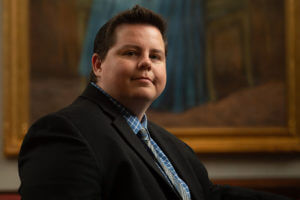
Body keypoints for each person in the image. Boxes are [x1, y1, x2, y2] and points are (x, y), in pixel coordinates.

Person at [18, 5, 293, 200]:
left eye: (156, 56)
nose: (146, 63)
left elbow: (208, 195)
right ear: (98, 64)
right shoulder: (63, 132)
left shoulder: (171, 144)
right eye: (131, 52)